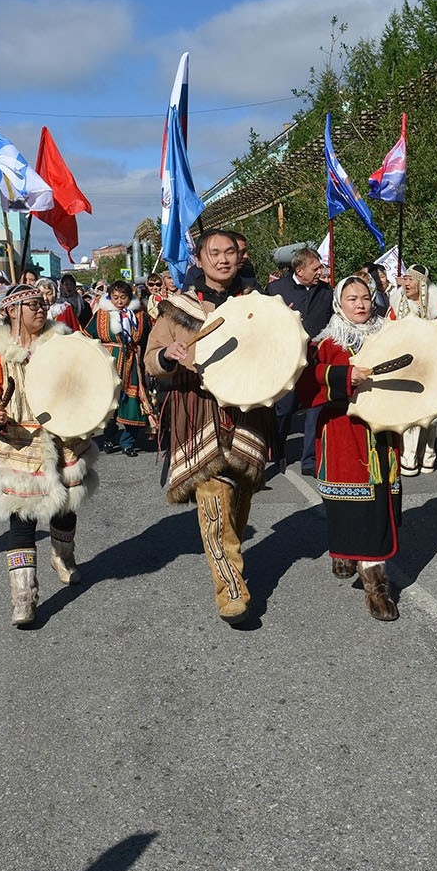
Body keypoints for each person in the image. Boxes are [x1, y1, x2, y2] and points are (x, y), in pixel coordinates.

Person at [145, 229, 276, 625]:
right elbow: (151, 358)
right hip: (197, 410)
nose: (223, 259)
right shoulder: (176, 309)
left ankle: (230, 558)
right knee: (213, 493)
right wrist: (168, 355)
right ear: (198, 260)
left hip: (247, 410)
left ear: (241, 257)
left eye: (230, 252)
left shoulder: (256, 304)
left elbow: (278, 350)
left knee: (239, 496)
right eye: (214, 253)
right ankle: (230, 587)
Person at [0, 284, 99, 627]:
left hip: (64, 439)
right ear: (12, 311)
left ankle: (62, 557)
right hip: (19, 447)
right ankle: (23, 597)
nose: (41, 310)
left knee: (65, 509)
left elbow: (86, 378)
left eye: (43, 304)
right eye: (32, 305)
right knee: (22, 520)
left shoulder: (62, 343)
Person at [296, 276, 400, 621]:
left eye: (366, 298)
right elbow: (307, 385)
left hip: (381, 436)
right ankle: (374, 584)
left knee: (378, 507)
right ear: (339, 303)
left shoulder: (388, 336)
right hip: (343, 434)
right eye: (352, 298)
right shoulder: (326, 343)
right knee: (350, 507)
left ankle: (363, 567)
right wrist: (344, 377)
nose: (360, 304)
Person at [387, 263, 437, 477]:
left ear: (422, 283)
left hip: (432, 366)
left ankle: (427, 456)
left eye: (411, 279)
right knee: (409, 413)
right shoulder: (397, 303)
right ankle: (408, 459)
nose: (407, 283)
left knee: (431, 414)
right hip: (404, 365)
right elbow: (386, 330)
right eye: (406, 279)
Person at [266, 247, 333, 475]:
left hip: (315, 359)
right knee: (284, 410)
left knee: (315, 408)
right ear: (299, 270)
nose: (320, 272)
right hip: (286, 360)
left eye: (320, 268)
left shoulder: (326, 291)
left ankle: (309, 461)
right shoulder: (276, 290)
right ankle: (278, 449)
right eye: (316, 268)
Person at [86, 280, 154, 456]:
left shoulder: (139, 315)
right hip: (109, 364)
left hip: (132, 365)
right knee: (109, 405)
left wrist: (145, 356)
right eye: (115, 297)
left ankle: (127, 442)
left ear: (129, 297)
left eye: (123, 297)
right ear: (110, 297)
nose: (119, 301)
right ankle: (108, 439)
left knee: (132, 405)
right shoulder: (101, 315)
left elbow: (149, 338)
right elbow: (88, 337)